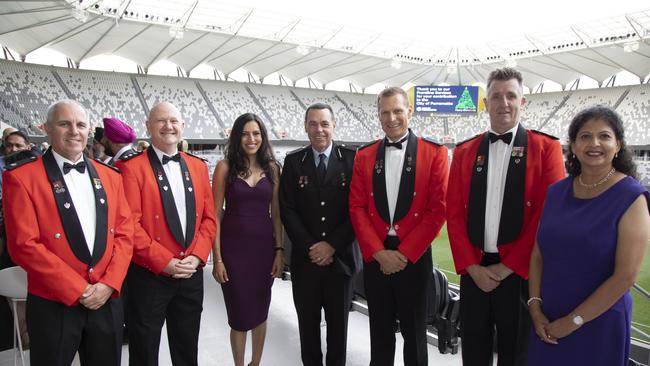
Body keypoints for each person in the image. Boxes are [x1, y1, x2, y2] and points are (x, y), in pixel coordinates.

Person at [446, 67, 565, 366]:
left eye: (511, 95)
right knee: (473, 351)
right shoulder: (464, 151)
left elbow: (545, 216)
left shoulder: (545, 148)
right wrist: (472, 267)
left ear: (522, 102)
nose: (504, 103)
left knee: (515, 355)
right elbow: (454, 213)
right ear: (486, 103)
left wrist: (506, 268)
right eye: (496, 96)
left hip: (519, 275)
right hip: (474, 272)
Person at [2, 99, 134, 366]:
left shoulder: (112, 176)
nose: (74, 131)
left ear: (89, 131)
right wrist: (78, 289)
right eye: (65, 124)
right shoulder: (21, 178)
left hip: (105, 300)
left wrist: (108, 284)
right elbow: (24, 245)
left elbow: (124, 233)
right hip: (54, 304)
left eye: (81, 124)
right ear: (48, 130)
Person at [527, 106, 650, 365]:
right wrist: (535, 307)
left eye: (604, 136)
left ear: (617, 145)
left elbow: (625, 277)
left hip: (598, 323)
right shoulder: (556, 192)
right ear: (572, 145)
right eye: (585, 136)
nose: (594, 143)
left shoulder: (631, 197)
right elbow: (538, 253)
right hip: (547, 320)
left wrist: (573, 322)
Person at [349, 87, 448, 366]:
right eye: (385, 112)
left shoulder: (435, 153)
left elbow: (437, 209)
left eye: (397, 111)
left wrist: (403, 254)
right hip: (376, 258)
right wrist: (379, 253)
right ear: (378, 115)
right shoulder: (365, 155)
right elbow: (356, 208)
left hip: (413, 259)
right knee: (379, 335)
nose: (391, 118)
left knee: (415, 337)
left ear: (409, 112)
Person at [116, 102, 217, 366]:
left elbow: (208, 219)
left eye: (173, 120)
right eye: (161, 121)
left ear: (182, 126)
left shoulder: (198, 167)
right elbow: (130, 227)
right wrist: (165, 262)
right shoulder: (132, 168)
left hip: (190, 273)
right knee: (144, 349)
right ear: (148, 127)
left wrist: (196, 257)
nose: (168, 126)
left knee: (187, 349)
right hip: (150, 275)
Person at [280, 103, 360, 366]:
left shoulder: (352, 159)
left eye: (324, 123)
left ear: (334, 125)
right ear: (305, 127)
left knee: (339, 334)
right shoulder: (293, 162)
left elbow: (358, 210)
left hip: (340, 263)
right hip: (306, 263)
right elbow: (288, 210)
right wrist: (313, 247)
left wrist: (332, 245)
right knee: (308, 332)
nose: (319, 130)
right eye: (313, 124)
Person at [211, 113, 283, 366]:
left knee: (261, 311)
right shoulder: (224, 168)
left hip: (263, 250)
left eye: (256, 133)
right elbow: (215, 216)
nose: (251, 139)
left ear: (262, 137)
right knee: (240, 314)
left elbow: (276, 215)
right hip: (232, 252)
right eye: (245, 133)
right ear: (236, 136)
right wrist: (217, 259)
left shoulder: (273, 169)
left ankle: (256, 362)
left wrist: (279, 251)